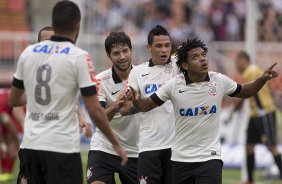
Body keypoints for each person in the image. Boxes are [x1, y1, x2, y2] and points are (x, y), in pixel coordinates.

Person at [126, 38, 279, 184]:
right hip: (180, 160)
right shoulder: (173, 85)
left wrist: (262, 79)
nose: (203, 59)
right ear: (185, 65)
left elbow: (245, 91)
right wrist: (135, 99)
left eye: (203, 55)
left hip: (209, 158)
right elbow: (145, 106)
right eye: (195, 57)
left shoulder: (218, 80)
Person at [8, 1, 127, 184]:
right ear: (77, 24)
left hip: (31, 145)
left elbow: (14, 99)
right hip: (61, 148)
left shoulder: (28, 53)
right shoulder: (78, 56)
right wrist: (116, 143)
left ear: (54, 25)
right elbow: (94, 110)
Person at [126, 25, 179, 184]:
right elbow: (133, 105)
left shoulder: (178, 65)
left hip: (175, 147)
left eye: (167, 45)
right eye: (158, 46)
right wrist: (134, 99)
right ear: (149, 48)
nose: (164, 50)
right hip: (149, 146)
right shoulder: (137, 72)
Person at [87, 31, 139, 184]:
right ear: (109, 56)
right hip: (105, 147)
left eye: (125, 51)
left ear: (131, 50)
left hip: (135, 151)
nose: (122, 57)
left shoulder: (143, 76)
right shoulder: (99, 80)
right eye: (116, 53)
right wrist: (116, 105)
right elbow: (100, 117)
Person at [233, 51, 282, 184]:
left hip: (264, 112)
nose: (235, 65)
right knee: (249, 145)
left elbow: (245, 93)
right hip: (255, 114)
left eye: (236, 62)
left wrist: (235, 109)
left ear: (243, 61)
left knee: (272, 147)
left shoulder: (251, 71)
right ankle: (249, 180)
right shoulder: (251, 72)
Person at [0, 88, 22, 182]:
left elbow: (10, 126)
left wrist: (16, 144)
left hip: (8, 119)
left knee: (10, 146)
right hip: (6, 117)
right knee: (5, 147)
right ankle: (5, 171)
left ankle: (7, 171)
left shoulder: (5, 116)